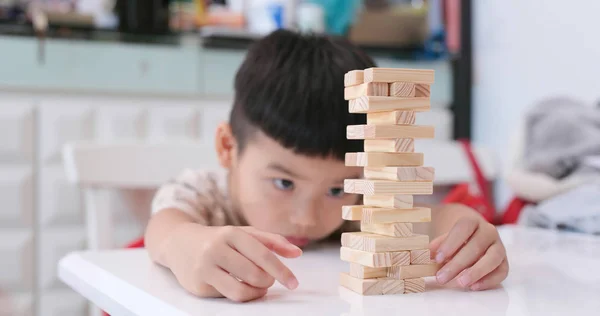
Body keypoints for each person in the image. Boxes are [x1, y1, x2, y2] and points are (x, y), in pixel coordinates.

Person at [144, 30, 508, 302]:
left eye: (337, 189)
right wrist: (183, 244)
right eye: (284, 183)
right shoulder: (205, 193)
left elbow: (427, 222)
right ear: (227, 147)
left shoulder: (358, 203)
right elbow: (164, 230)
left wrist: (464, 233)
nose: (307, 217)